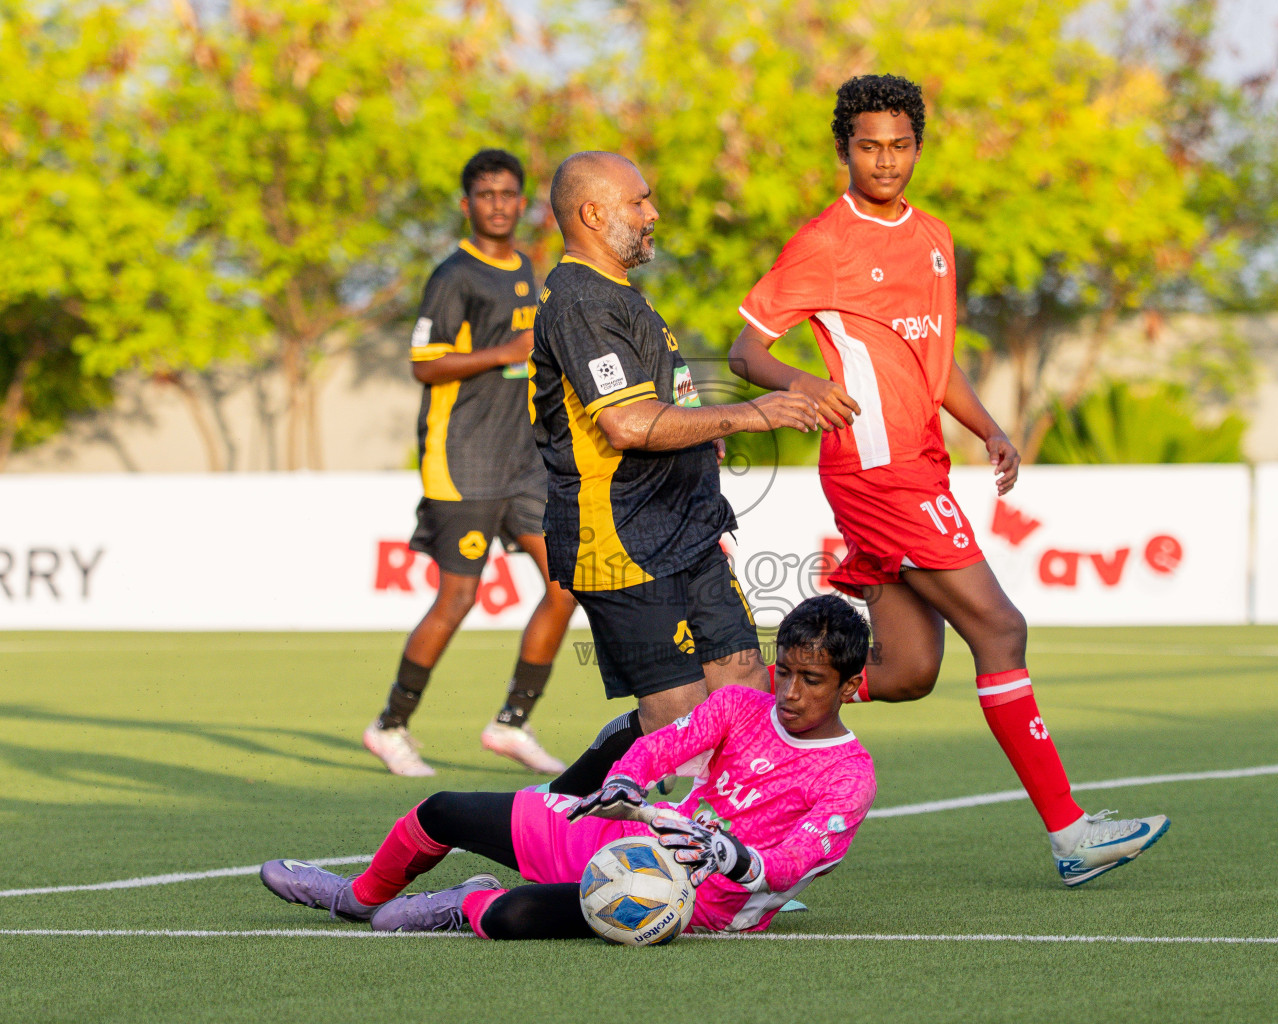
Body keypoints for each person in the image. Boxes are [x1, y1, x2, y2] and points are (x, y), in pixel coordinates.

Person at [728, 75, 1169, 887]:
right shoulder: (824, 241)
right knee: (1000, 631)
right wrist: (802, 386)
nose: (885, 160)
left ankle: (733, 710)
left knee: (905, 672)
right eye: (869, 146)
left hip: (921, 461)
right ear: (844, 149)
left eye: (899, 145)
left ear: (918, 147)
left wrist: (990, 426)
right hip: (875, 468)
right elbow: (743, 353)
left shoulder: (934, 237)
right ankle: (1072, 834)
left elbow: (931, 364)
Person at [260, 595, 876, 938]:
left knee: (508, 917)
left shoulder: (850, 776)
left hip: (691, 901)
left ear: (850, 686)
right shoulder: (744, 703)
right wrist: (627, 780)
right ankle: (356, 899)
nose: (791, 692)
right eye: (786, 672)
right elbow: (666, 743)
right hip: (635, 836)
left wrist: (734, 858)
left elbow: (797, 860)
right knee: (443, 810)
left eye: (812, 680)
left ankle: (469, 902)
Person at [520, 150, 821, 798]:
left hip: (686, 530)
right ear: (594, 213)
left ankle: (729, 864)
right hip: (622, 540)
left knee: (742, 698)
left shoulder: (618, 294)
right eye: (640, 202)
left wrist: (696, 441)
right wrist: (749, 415)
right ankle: (638, 860)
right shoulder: (578, 301)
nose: (654, 214)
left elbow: (659, 409)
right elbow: (626, 424)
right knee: (679, 731)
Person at [364, 149, 577, 778]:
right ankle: (391, 725)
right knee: (458, 597)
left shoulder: (529, 267)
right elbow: (424, 364)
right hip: (462, 459)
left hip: (523, 461)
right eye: (485, 194)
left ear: (523, 202)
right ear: (467, 204)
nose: (498, 204)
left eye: (509, 193)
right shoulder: (453, 275)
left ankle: (512, 721)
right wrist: (501, 351)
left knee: (567, 584)